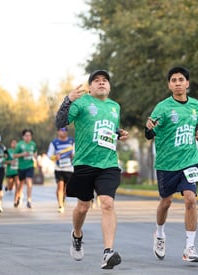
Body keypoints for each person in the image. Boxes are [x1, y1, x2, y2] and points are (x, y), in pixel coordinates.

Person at [55, 69, 129, 269]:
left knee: (107, 203)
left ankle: (108, 252)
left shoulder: (115, 106)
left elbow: (106, 130)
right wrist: (68, 100)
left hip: (109, 164)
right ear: (90, 87)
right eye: (97, 81)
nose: (101, 83)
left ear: (109, 86)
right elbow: (60, 123)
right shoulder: (81, 102)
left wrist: (118, 133)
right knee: (83, 207)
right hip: (85, 163)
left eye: (105, 80)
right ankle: (77, 234)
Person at [145, 66, 198, 263]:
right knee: (166, 202)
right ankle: (160, 234)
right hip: (166, 164)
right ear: (169, 85)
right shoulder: (162, 107)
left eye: (181, 79)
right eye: (174, 80)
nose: (178, 83)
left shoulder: (196, 105)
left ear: (187, 83)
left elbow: (196, 126)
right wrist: (149, 128)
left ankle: (190, 247)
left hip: (189, 160)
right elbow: (149, 134)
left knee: (190, 199)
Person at [47, 127, 75, 213]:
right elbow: (49, 155)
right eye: (62, 130)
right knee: (60, 186)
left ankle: (62, 199)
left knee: (66, 189)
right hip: (59, 168)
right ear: (58, 131)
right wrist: (55, 157)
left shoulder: (72, 141)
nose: (64, 132)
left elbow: (76, 152)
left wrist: (73, 155)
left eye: (65, 130)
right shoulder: (54, 143)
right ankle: (60, 205)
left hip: (69, 168)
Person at [13, 129, 38, 208]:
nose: (28, 137)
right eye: (26, 135)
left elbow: (35, 153)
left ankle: (29, 200)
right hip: (21, 167)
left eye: (30, 135)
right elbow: (14, 155)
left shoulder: (33, 144)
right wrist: (22, 154)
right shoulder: (19, 144)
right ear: (23, 136)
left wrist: (35, 156)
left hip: (30, 166)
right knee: (20, 184)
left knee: (29, 181)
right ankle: (18, 197)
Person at [4, 139, 20, 206]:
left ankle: (16, 201)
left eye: (16, 143)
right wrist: (10, 162)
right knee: (10, 187)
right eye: (13, 143)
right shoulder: (8, 151)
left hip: (17, 171)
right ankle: (7, 187)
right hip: (10, 171)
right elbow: (4, 161)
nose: (14, 144)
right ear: (11, 144)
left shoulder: (19, 151)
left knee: (18, 185)